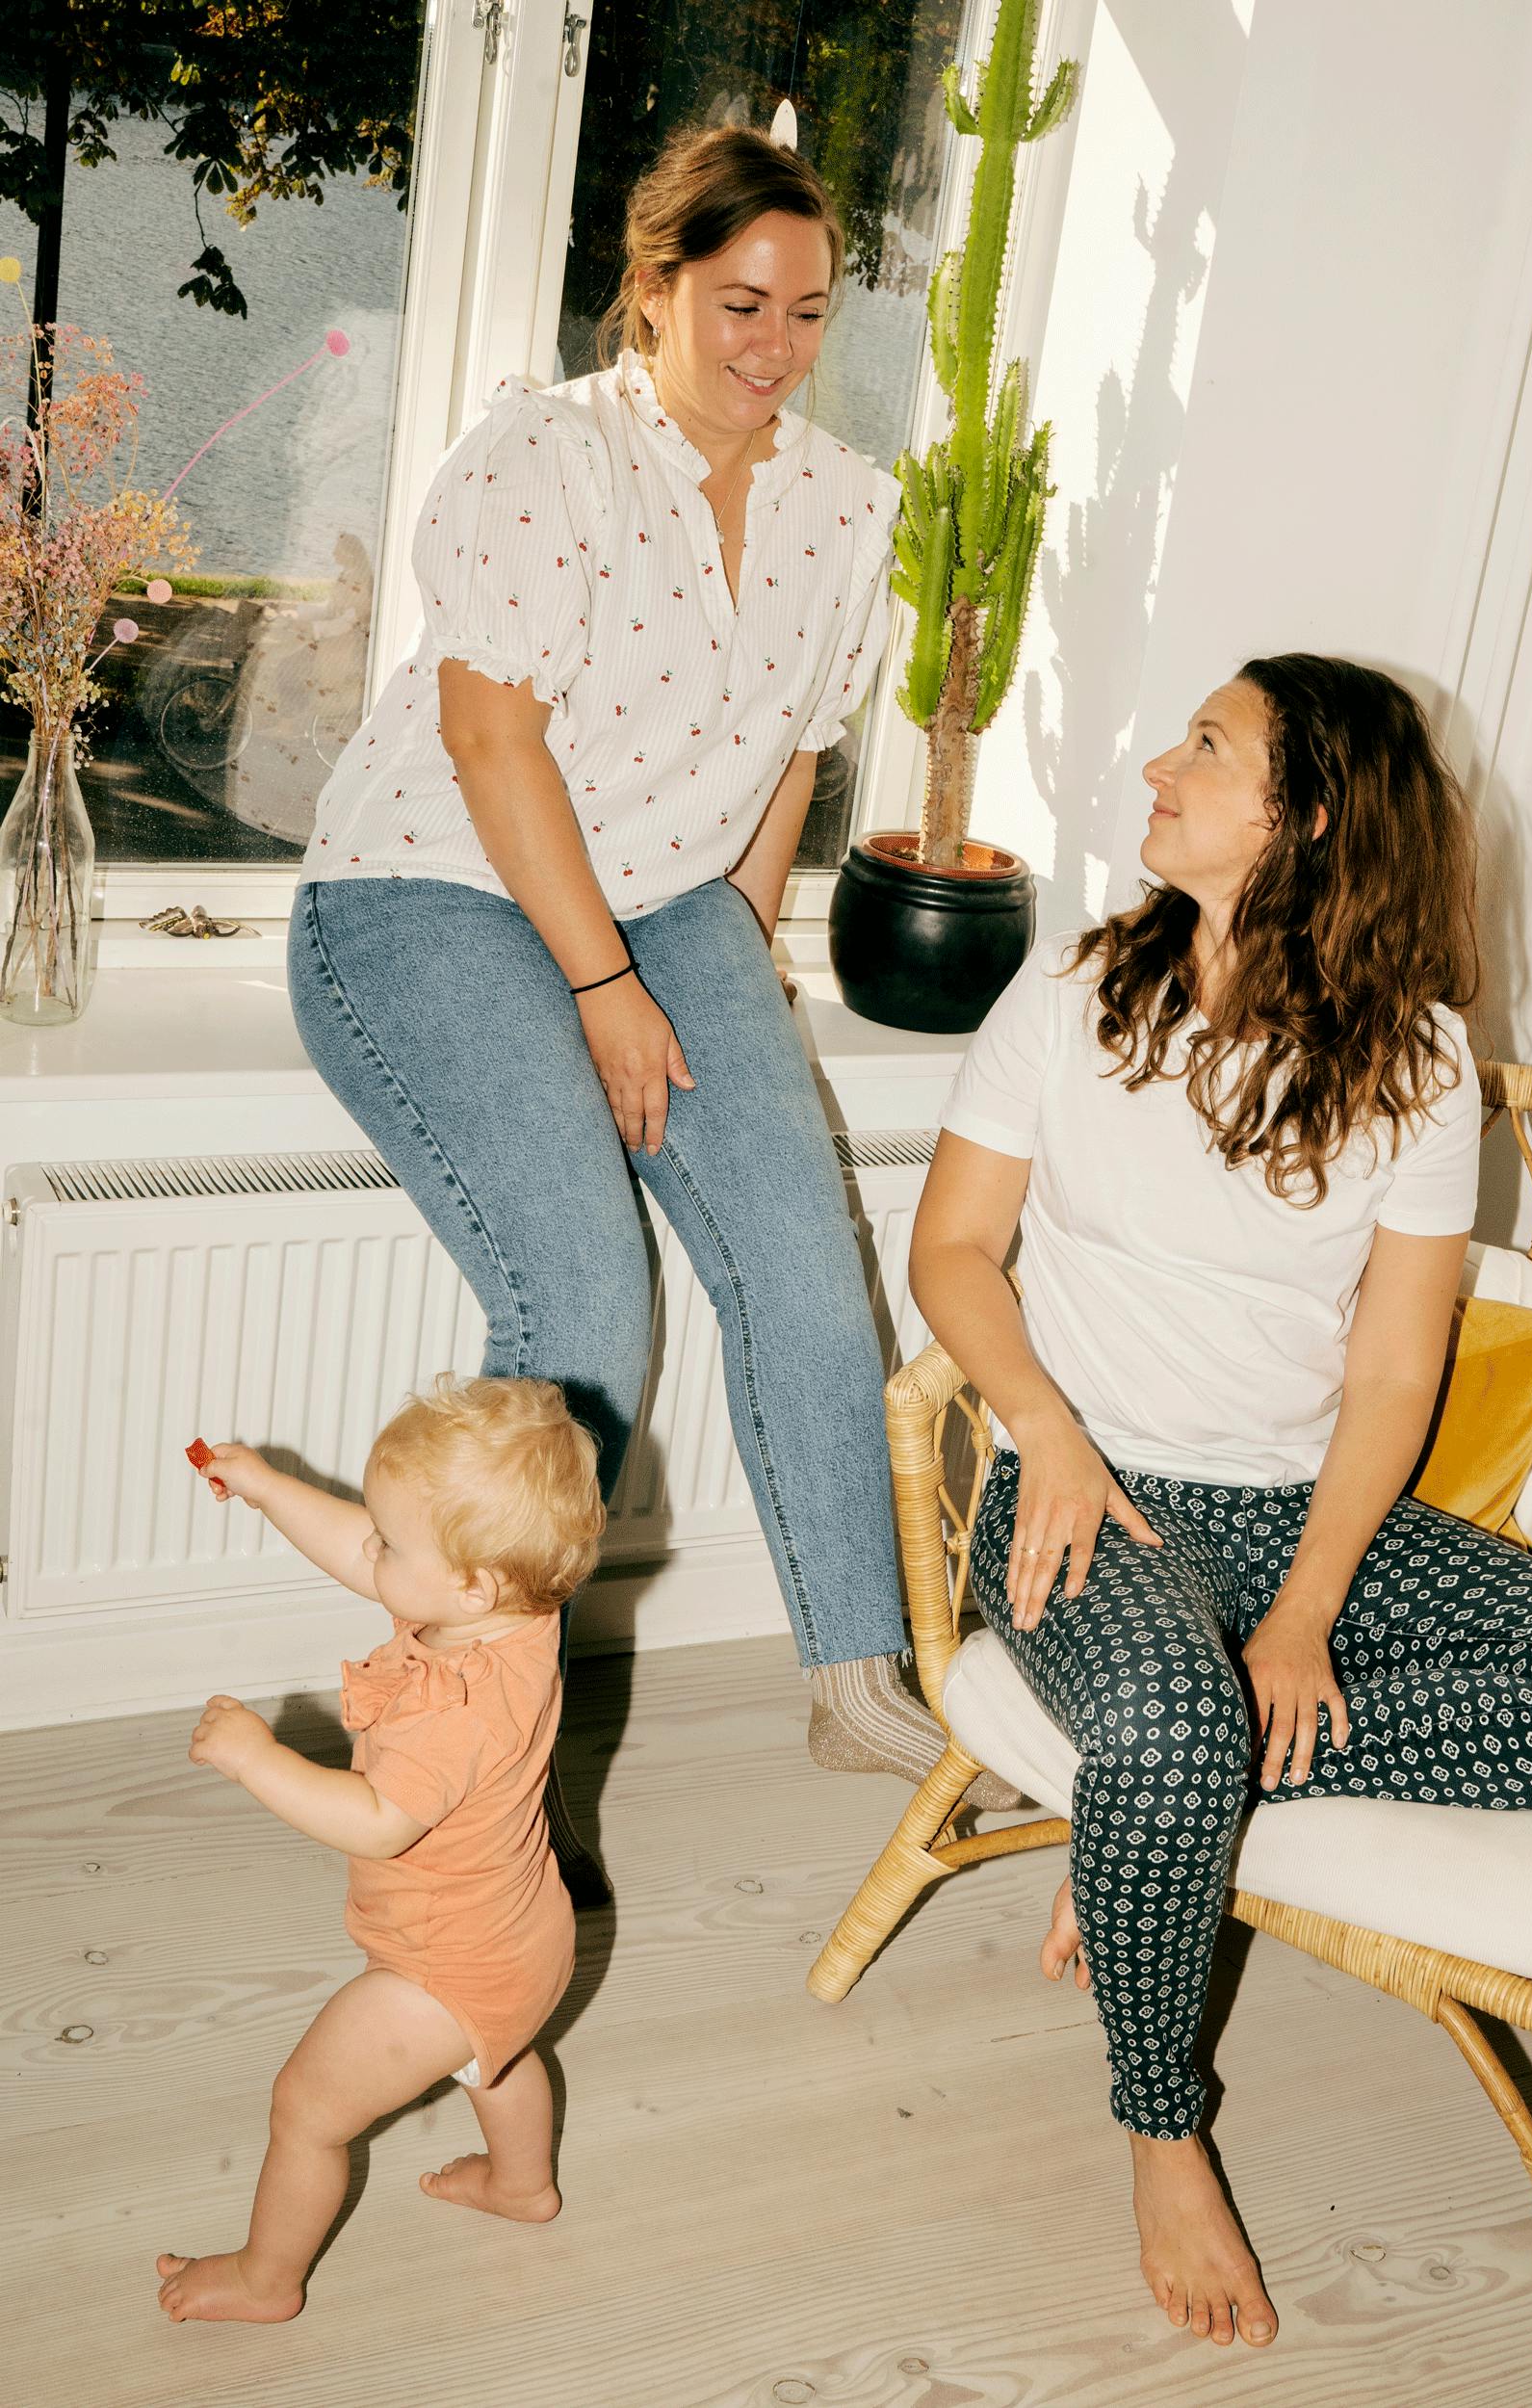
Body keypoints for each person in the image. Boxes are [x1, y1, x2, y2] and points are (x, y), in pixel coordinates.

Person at [908, 654, 1532, 2350]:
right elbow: (952, 1256)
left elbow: (1394, 1378)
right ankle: (1159, 2121)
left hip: (1294, 1511)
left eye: (1209, 746)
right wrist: (1041, 1425)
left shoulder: (1417, 1064)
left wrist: (1304, 1608)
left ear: (1312, 816)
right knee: (1176, 1722)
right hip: (1082, 1500)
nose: (1158, 763)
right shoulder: (1067, 995)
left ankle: (1161, 1802)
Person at [290, 126, 1006, 1904]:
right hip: (433, 884)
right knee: (588, 1300)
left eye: (809, 311)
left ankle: (857, 1673)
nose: (772, 343)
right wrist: (607, 987)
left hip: (674, 909)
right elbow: (484, 739)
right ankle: (469, 1735)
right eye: (738, 302)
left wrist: (727, 966)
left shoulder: (850, 504)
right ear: (658, 286)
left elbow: (795, 757)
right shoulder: (547, 454)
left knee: (800, 1253)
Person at [156, 1376, 605, 2324]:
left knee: (307, 2112)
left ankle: (264, 2279)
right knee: (500, 2051)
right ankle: (522, 2187)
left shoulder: (451, 1708)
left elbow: (374, 1819)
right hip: (525, 1935)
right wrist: (272, 1487)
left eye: (393, 1540)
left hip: (438, 1967)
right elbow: (367, 1553)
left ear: (468, 1581)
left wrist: (257, 1759)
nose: (372, 1546)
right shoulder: (516, 1607)